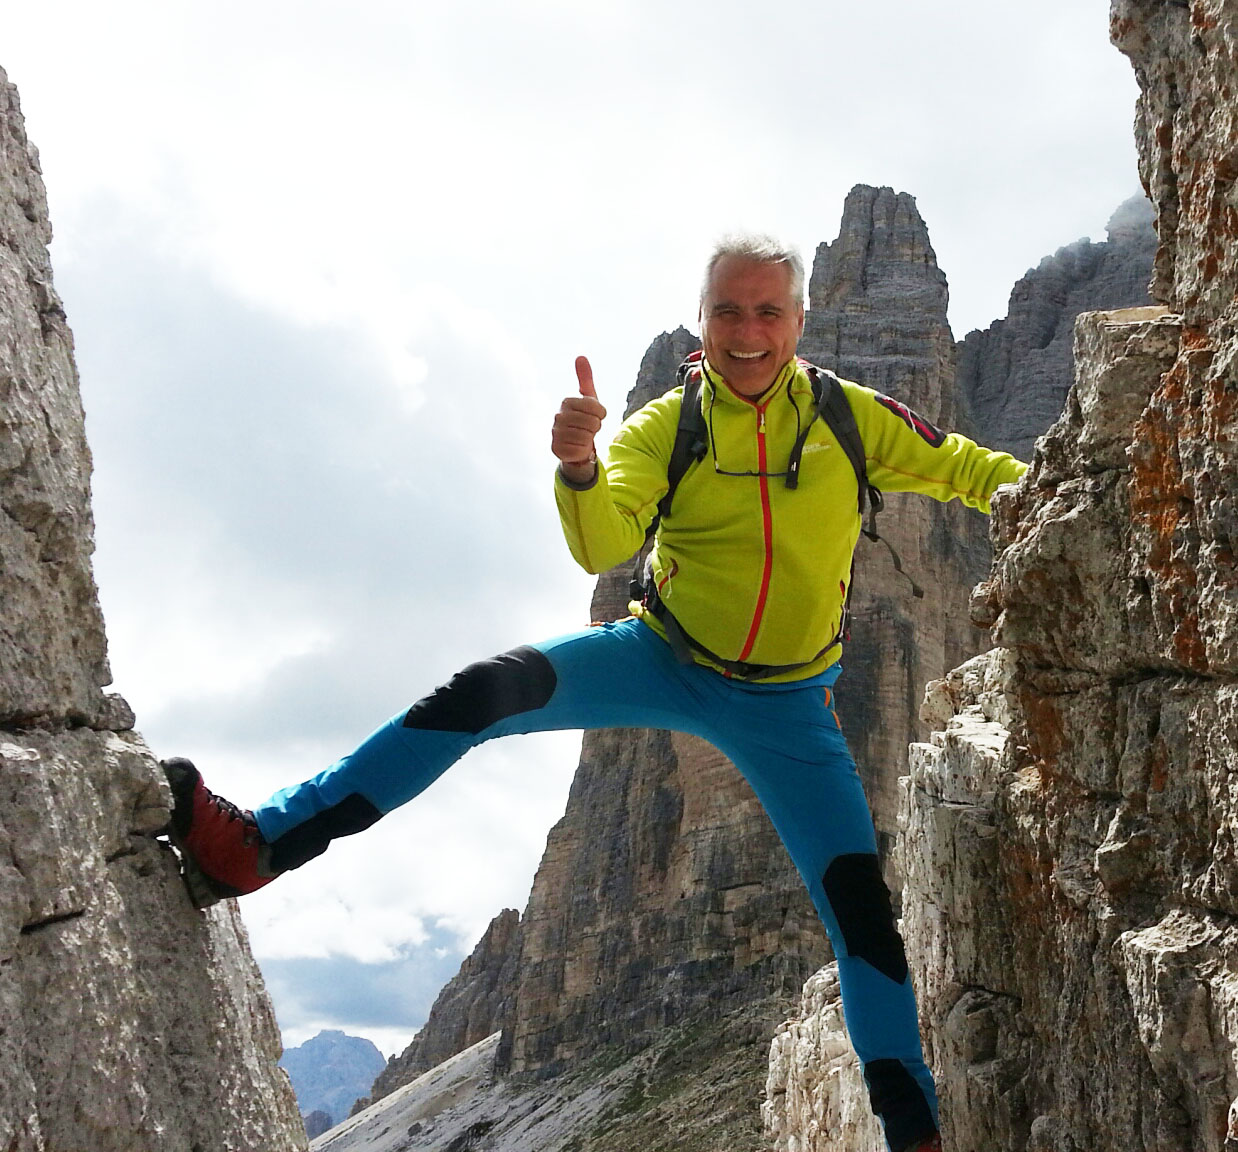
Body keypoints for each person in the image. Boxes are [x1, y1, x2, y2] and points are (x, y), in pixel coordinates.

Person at [164, 234, 1026, 1152]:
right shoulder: (672, 424)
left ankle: (914, 1136)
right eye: (728, 311)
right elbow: (603, 541)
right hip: (657, 652)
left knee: (860, 912)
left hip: (788, 706)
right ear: (704, 320)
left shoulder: (852, 419)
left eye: (767, 311)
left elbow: (969, 468)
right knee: (479, 694)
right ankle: (256, 847)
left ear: (798, 322)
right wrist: (579, 467)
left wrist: (1058, 490)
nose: (747, 332)